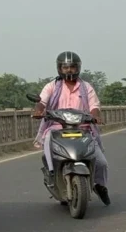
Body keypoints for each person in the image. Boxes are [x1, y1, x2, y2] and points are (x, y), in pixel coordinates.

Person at [33, 51, 111, 205]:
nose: (69, 70)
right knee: (49, 147)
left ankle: (100, 185)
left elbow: (94, 105)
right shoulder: (52, 86)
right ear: (59, 68)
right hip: (56, 128)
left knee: (101, 162)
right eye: (65, 67)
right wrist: (39, 110)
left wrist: (95, 115)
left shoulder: (86, 87)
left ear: (78, 68)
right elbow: (42, 101)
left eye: (72, 67)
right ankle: (52, 172)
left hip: (82, 128)